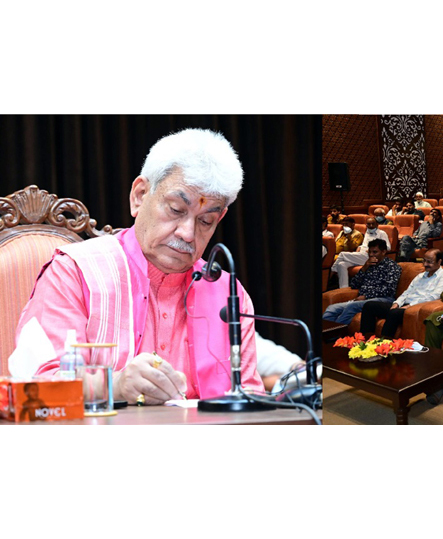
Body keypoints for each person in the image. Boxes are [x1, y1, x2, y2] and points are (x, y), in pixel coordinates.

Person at [13, 128, 264, 402]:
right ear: (140, 195)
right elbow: (34, 387)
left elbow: (250, 395)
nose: (188, 233)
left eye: (206, 221)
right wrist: (114, 385)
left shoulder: (228, 293)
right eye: (176, 210)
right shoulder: (74, 272)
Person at [359, 249, 443, 337]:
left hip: (416, 309)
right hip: (403, 305)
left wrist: (411, 305)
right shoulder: (420, 276)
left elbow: (435, 296)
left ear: (439, 262)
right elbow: (407, 292)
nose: (425, 264)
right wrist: (396, 303)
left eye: (429, 262)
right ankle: (366, 341)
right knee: (369, 306)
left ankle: (384, 346)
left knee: (394, 313)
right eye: (424, 261)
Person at [323, 239, 401, 325]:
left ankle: (335, 334)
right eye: (369, 252)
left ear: (383, 252)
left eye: (375, 252)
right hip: (363, 299)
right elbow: (354, 284)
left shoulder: (392, 266)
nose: (371, 255)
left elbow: (389, 289)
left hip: (383, 300)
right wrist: (364, 268)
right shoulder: (369, 265)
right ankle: (324, 334)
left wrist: (366, 296)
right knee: (332, 308)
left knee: (351, 306)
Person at [331, 216, 390, 288]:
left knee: (342, 254)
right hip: (361, 255)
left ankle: (332, 272)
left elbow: (388, 247)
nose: (371, 226)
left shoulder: (382, 233)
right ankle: (344, 288)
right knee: (341, 264)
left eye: (373, 224)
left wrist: (375, 249)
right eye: (369, 224)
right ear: (366, 225)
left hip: (370, 256)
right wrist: (360, 247)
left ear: (377, 225)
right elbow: (365, 245)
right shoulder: (367, 232)